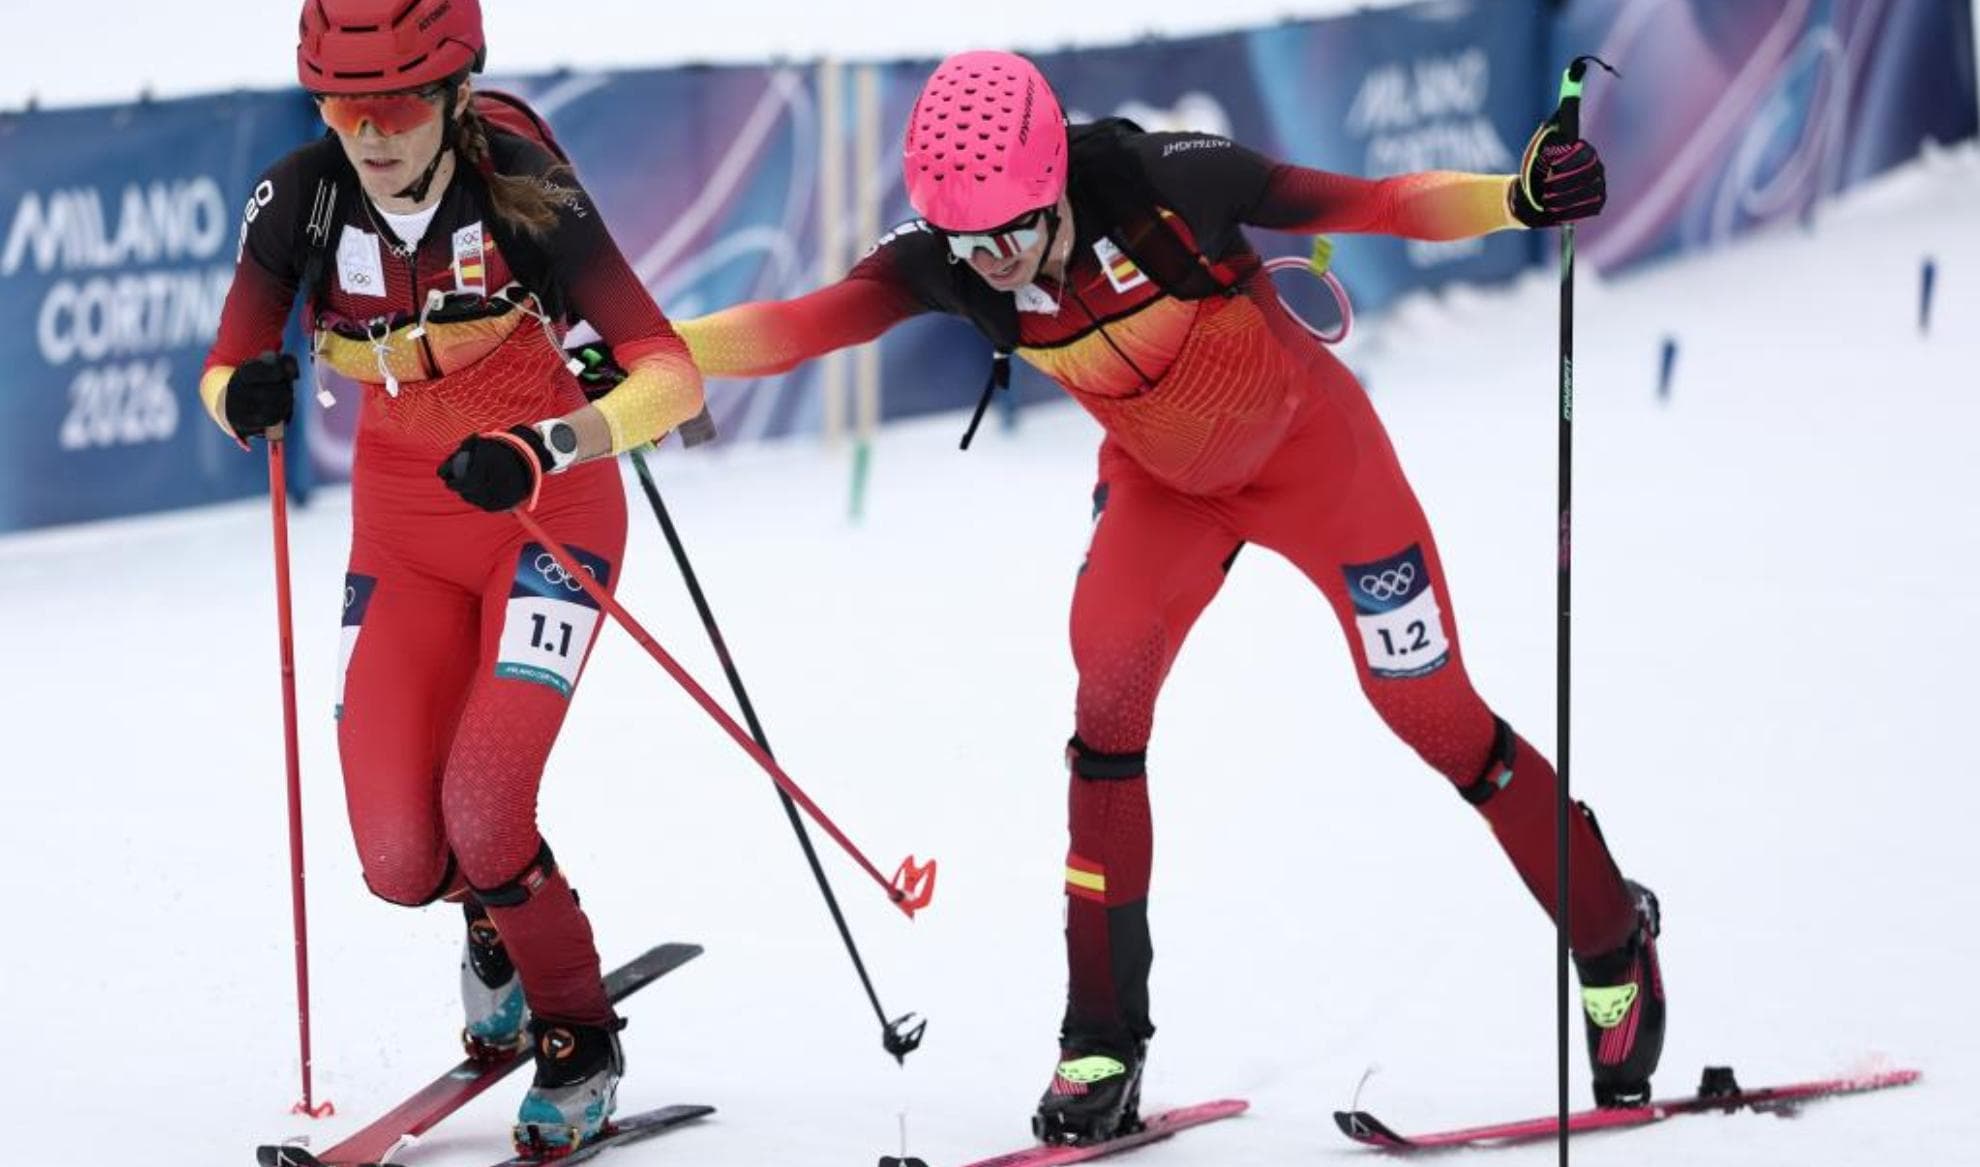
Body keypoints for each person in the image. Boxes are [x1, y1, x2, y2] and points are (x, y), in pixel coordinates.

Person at [673, 51, 1665, 1145]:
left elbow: (1373, 202)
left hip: (1316, 463)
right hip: (1164, 488)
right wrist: (656, 354)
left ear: (1053, 183)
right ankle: (1100, 1039)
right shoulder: (946, 262)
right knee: (1107, 696)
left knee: (1432, 714)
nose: (989, 264)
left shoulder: (1168, 184)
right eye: (966, 243)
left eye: (1008, 233)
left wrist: (1516, 200)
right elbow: (803, 323)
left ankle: (1613, 939)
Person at [201, 0, 705, 1154]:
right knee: (399, 859)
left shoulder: (525, 190)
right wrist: (243, 398)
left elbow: (670, 377)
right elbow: (226, 364)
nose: (369, 134)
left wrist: (550, 442)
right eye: (342, 105)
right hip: (404, 529)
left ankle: (579, 1034)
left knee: (485, 807)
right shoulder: (302, 197)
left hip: (545, 512)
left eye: (396, 105)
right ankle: (492, 921)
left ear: (453, 94)